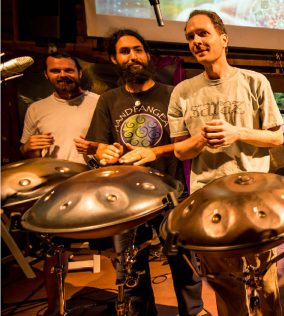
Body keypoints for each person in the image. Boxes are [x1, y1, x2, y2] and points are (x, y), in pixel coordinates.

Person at [168, 10, 284, 316]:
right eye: (190, 36)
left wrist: (237, 133)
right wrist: (200, 140)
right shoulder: (182, 92)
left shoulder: (254, 82)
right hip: (208, 197)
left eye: (202, 33)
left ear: (224, 38)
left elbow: (277, 139)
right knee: (225, 284)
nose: (196, 41)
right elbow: (180, 151)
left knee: (266, 281)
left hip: (254, 196)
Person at [85, 29, 204, 316]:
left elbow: (188, 143)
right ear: (114, 59)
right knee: (132, 268)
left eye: (138, 50)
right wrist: (103, 152)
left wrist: (156, 152)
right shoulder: (108, 100)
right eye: (125, 51)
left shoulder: (171, 94)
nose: (133, 56)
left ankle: (193, 312)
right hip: (127, 199)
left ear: (148, 55)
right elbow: (98, 147)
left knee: (184, 265)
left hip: (171, 194)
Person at [20, 52, 99, 316]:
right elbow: (26, 150)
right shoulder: (36, 108)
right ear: (46, 75)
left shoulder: (98, 103)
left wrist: (96, 147)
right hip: (53, 189)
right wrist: (29, 148)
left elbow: (110, 143)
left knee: (109, 248)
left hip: (91, 185)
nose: (63, 75)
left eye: (68, 70)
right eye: (56, 71)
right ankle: (56, 308)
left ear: (79, 72)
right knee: (54, 254)